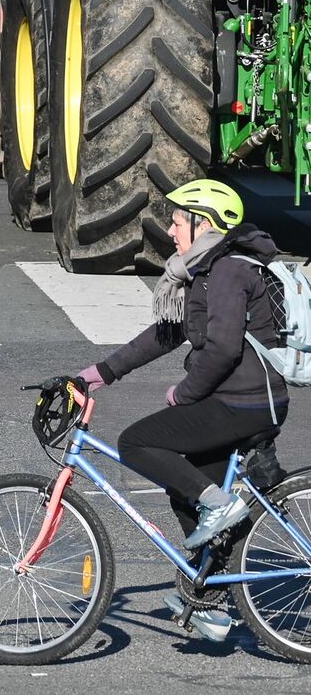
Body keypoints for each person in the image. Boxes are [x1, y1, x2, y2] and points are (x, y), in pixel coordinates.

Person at [76, 180, 289, 564]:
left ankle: (220, 509)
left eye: (177, 222)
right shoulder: (204, 270)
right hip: (234, 400)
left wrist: (184, 394)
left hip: (246, 403)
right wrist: (100, 373)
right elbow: (169, 333)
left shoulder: (227, 270)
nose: (171, 231)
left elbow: (223, 349)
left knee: (137, 443)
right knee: (186, 488)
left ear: (203, 226)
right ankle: (209, 597)